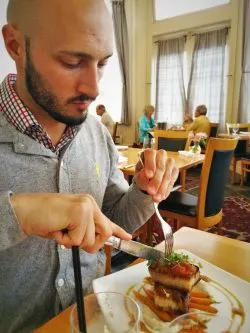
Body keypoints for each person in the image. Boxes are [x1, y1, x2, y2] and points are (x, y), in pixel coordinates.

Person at [0, 0, 178, 332]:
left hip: (99, 319)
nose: (93, 88)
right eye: (71, 62)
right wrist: (18, 213)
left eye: (102, 64)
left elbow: (115, 219)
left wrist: (144, 189)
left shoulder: (96, 134)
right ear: (15, 45)